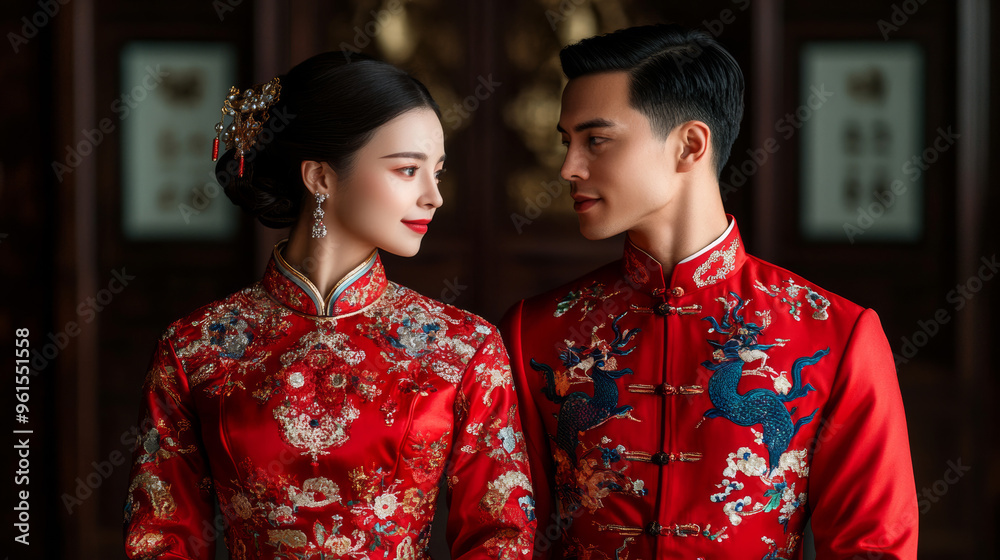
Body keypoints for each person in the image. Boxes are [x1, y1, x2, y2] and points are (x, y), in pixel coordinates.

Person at [501, 24, 918, 559]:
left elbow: (874, 548)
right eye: (567, 142)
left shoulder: (836, 334)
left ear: (689, 145)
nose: (568, 168)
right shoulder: (535, 331)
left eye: (595, 140)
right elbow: (509, 536)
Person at [123, 52, 536, 560]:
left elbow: (501, 538)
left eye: (438, 173)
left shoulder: (464, 347)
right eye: (408, 170)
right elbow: (160, 536)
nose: (434, 197)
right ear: (320, 177)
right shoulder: (197, 347)